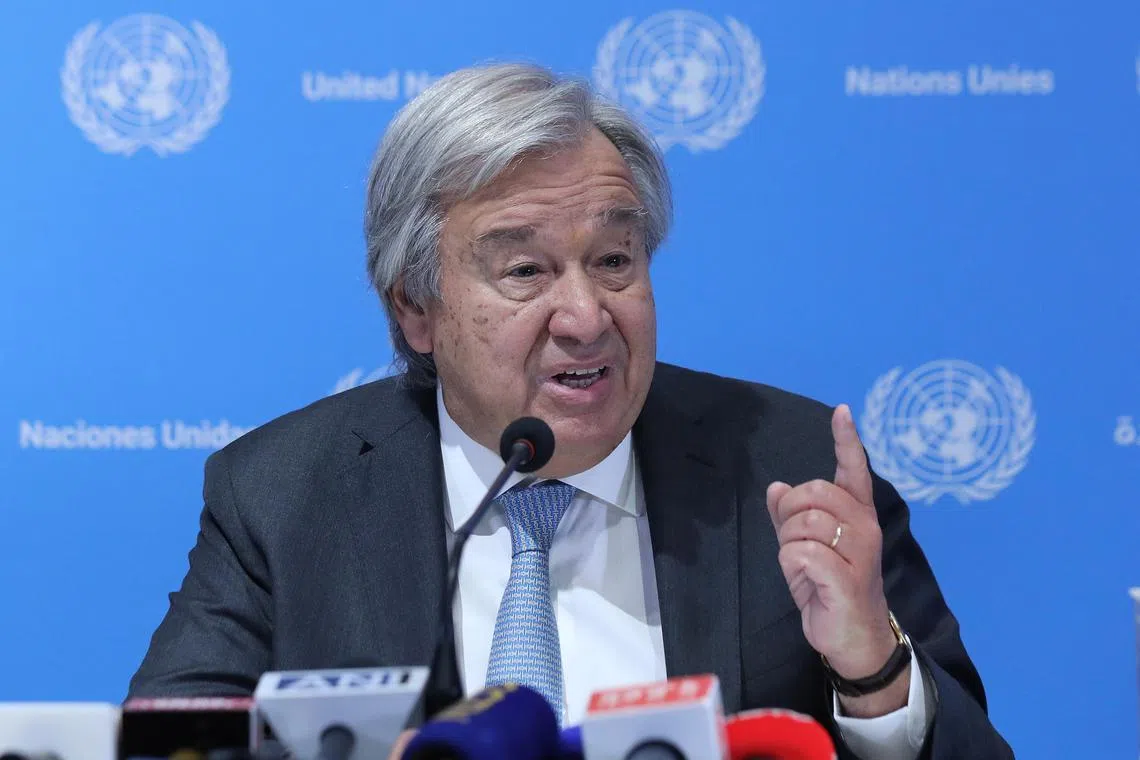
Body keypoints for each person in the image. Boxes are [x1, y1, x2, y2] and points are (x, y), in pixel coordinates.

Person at [129, 63, 1014, 759]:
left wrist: (873, 672)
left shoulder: (791, 467)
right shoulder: (286, 495)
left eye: (616, 261)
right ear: (415, 310)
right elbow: (169, 745)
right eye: (525, 272)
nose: (588, 317)